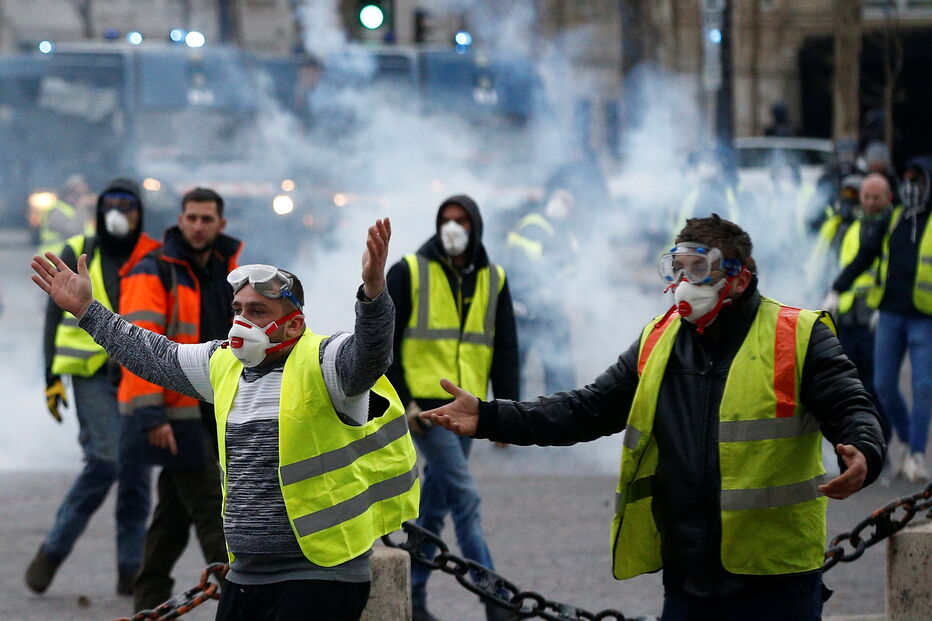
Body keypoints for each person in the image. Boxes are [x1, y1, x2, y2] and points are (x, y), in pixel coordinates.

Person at [421, 215, 886, 621]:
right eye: (676, 268)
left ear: (739, 279)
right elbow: (585, 410)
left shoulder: (797, 335)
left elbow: (851, 405)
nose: (682, 283)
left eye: (697, 270)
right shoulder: (657, 341)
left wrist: (864, 450)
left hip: (777, 578)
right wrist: (489, 416)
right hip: (689, 576)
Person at [31, 218, 419, 621]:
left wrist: (373, 294)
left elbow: (370, 355)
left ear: (294, 323)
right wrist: (87, 311)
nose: (242, 321)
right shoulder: (223, 364)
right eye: (238, 309)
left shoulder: (326, 361)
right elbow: (153, 355)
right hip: (247, 575)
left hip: (321, 576)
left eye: (257, 311)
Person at [386, 195, 519, 621]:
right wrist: (403, 400)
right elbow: (383, 342)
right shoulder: (409, 271)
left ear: (475, 226)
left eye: (461, 220)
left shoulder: (494, 278)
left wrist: (507, 414)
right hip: (427, 412)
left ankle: (414, 595)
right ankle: (496, 599)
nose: (453, 227)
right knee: (466, 499)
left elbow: (505, 348)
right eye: (446, 219)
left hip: (470, 410)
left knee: (435, 505)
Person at [27, 178, 161, 596]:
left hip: (138, 376)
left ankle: (130, 572)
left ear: (140, 213)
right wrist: (50, 376)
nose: (119, 211)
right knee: (104, 464)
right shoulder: (79, 249)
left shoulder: (154, 257)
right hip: (92, 376)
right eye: (112, 203)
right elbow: (54, 315)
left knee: (136, 474)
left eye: (128, 205)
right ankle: (52, 551)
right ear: (99, 209)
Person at [118, 187, 243, 610]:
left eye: (207, 219)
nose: (198, 226)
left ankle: (148, 602)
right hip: (176, 413)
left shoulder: (230, 271)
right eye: (191, 217)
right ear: (180, 219)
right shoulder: (153, 270)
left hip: (216, 408)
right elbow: (137, 346)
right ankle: (245, 600)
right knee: (212, 512)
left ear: (221, 224)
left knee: (171, 518)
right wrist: (152, 416)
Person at [824, 158, 932, 482]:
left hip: (924, 318)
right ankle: (906, 439)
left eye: (918, 180)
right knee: (883, 384)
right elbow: (865, 255)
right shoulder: (893, 218)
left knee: (923, 386)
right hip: (889, 316)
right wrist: (837, 288)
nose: (912, 187)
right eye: (907, 180)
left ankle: (916, 454)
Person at [506, 183, 579, 394]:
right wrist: (527, 299)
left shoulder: (566, 233)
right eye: (559, 198)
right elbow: (520, 267)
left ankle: (560, 408)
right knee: (513, 370)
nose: (562, 205)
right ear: (549, 198)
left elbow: (572, 271)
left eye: (567, 201)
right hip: (525, 309)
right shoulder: (533, 226)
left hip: (551, 309)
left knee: (560, 368)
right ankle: (510, 409)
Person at [36, 174, 96, 256]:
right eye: (79, 194)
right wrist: (81, 209)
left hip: (72, 257)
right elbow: (72, 230)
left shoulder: (77, 210)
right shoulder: (56, 211)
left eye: (85, 194)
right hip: (55, 257)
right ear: (68, 194)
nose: (83, 197)